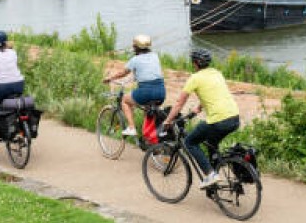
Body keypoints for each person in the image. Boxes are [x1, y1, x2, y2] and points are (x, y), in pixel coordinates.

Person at [161, 49, 239, 189]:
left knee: (190, 142)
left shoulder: (195, 78)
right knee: (211, 143)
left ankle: (210, 175)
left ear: (195, 63)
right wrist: (198, 108)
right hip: (234, 118)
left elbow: (179, 102)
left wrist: (168, 121)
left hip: (218, 120)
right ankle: (214, 183)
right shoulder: (217, 73)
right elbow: (214, 93)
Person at [102, 34, 165, 137]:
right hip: (161, 92)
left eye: (134, 46)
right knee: (148, 116)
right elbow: (144, 73)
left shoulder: (135, 59)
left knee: (125, 100)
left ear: (136, 47)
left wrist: (110, 78)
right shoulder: (155, 56)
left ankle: (131, 128)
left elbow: (123, 73)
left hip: (146, 92)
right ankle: (152, 147)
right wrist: (131, 79)